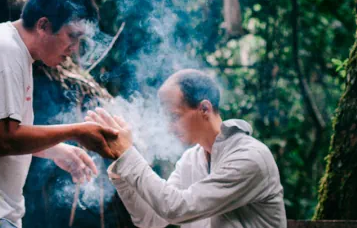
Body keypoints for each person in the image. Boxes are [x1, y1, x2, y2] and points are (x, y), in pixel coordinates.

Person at [0, 0, 119, 228]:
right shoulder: (4, 50)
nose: (74, 49)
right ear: (43, 25)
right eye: (71, 37)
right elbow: (4, 139)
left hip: (2, 214)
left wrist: (55, 149)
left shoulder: (16, 52)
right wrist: (77, 131)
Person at [86, 69, 288, 228]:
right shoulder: (191, 159)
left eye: (174, 116)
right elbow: (151, 221)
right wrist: (120, 165)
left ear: (204, 109)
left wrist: (128, 155)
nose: (168, 127)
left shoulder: (250, 157)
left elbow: (176, 208)